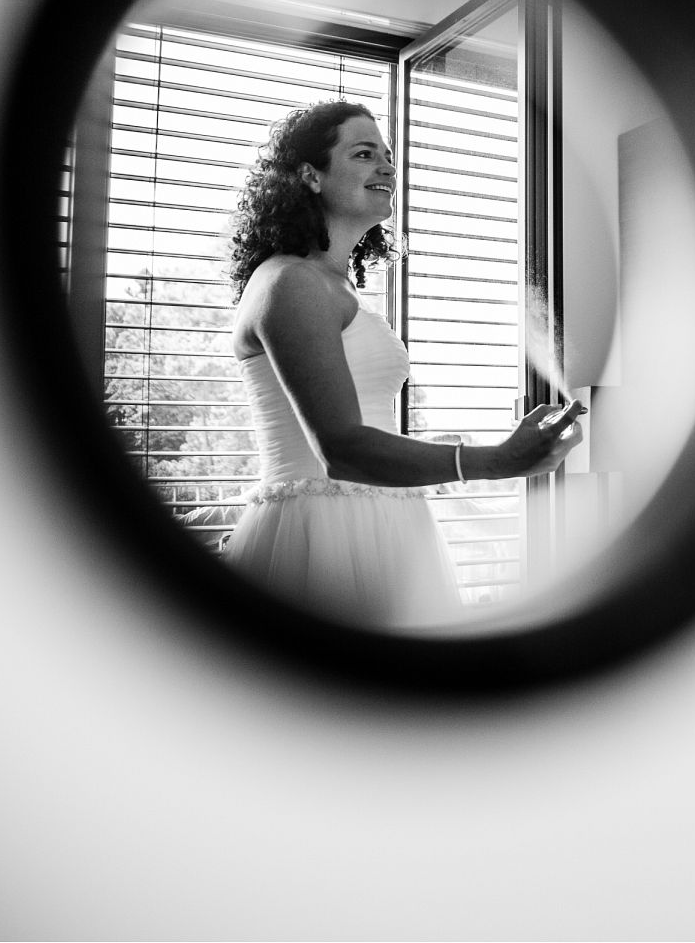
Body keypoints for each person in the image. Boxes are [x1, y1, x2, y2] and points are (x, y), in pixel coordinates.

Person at [221, 99, 583, 630]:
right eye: (364, 153)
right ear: (310, 176)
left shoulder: (330, 285)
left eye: (388, 155)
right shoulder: (290, 283)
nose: (387, 167)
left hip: (385, 523)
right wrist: (497, 461)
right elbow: (341, 450)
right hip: (319, 538)